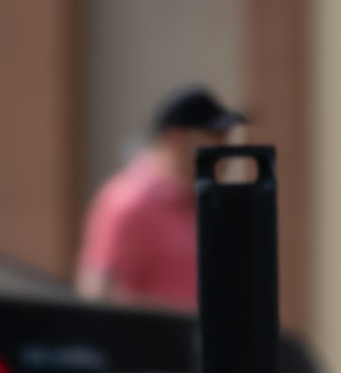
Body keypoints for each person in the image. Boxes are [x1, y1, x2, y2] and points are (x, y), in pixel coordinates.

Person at [77, 85, 244, 310]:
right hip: (156, 334)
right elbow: (99, 296)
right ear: (174, 137)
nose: (225, 147)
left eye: (225, 137)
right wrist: (173, 324)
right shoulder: (129, 201)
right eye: (214, 136)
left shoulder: (203, 199)